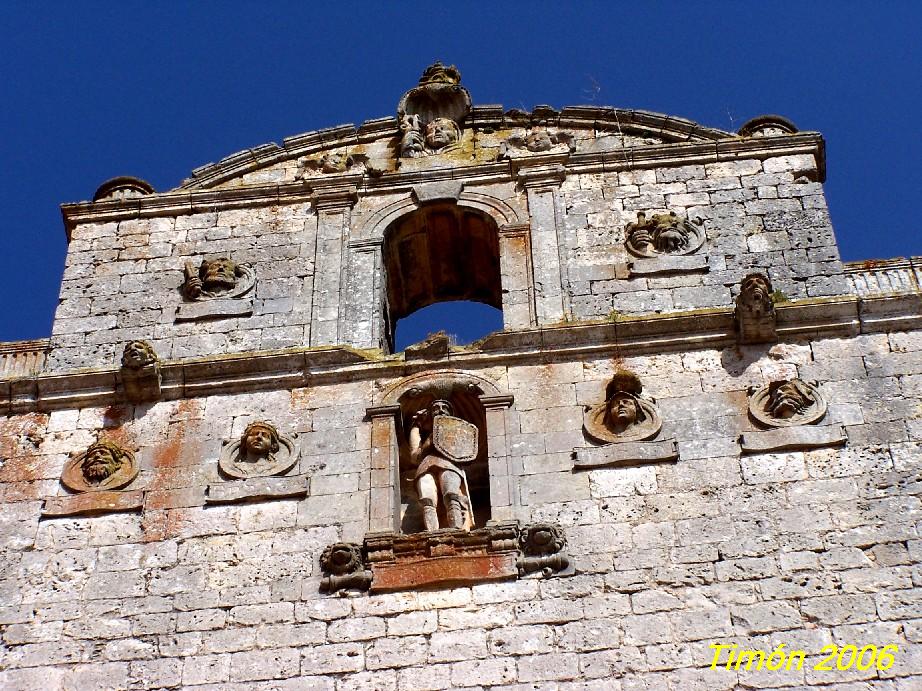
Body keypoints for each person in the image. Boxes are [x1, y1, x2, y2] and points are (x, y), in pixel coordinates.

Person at [408, 399, 473, 531]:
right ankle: (432, 532)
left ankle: (457, 529)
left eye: (445, 407)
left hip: (450, 464)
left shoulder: (458, 432)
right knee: (427, 499)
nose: (441, 410)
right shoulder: (428, 437)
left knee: (452, 495)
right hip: (426, 465)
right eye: (436, 408)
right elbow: (415, 457)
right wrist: (417, 425)